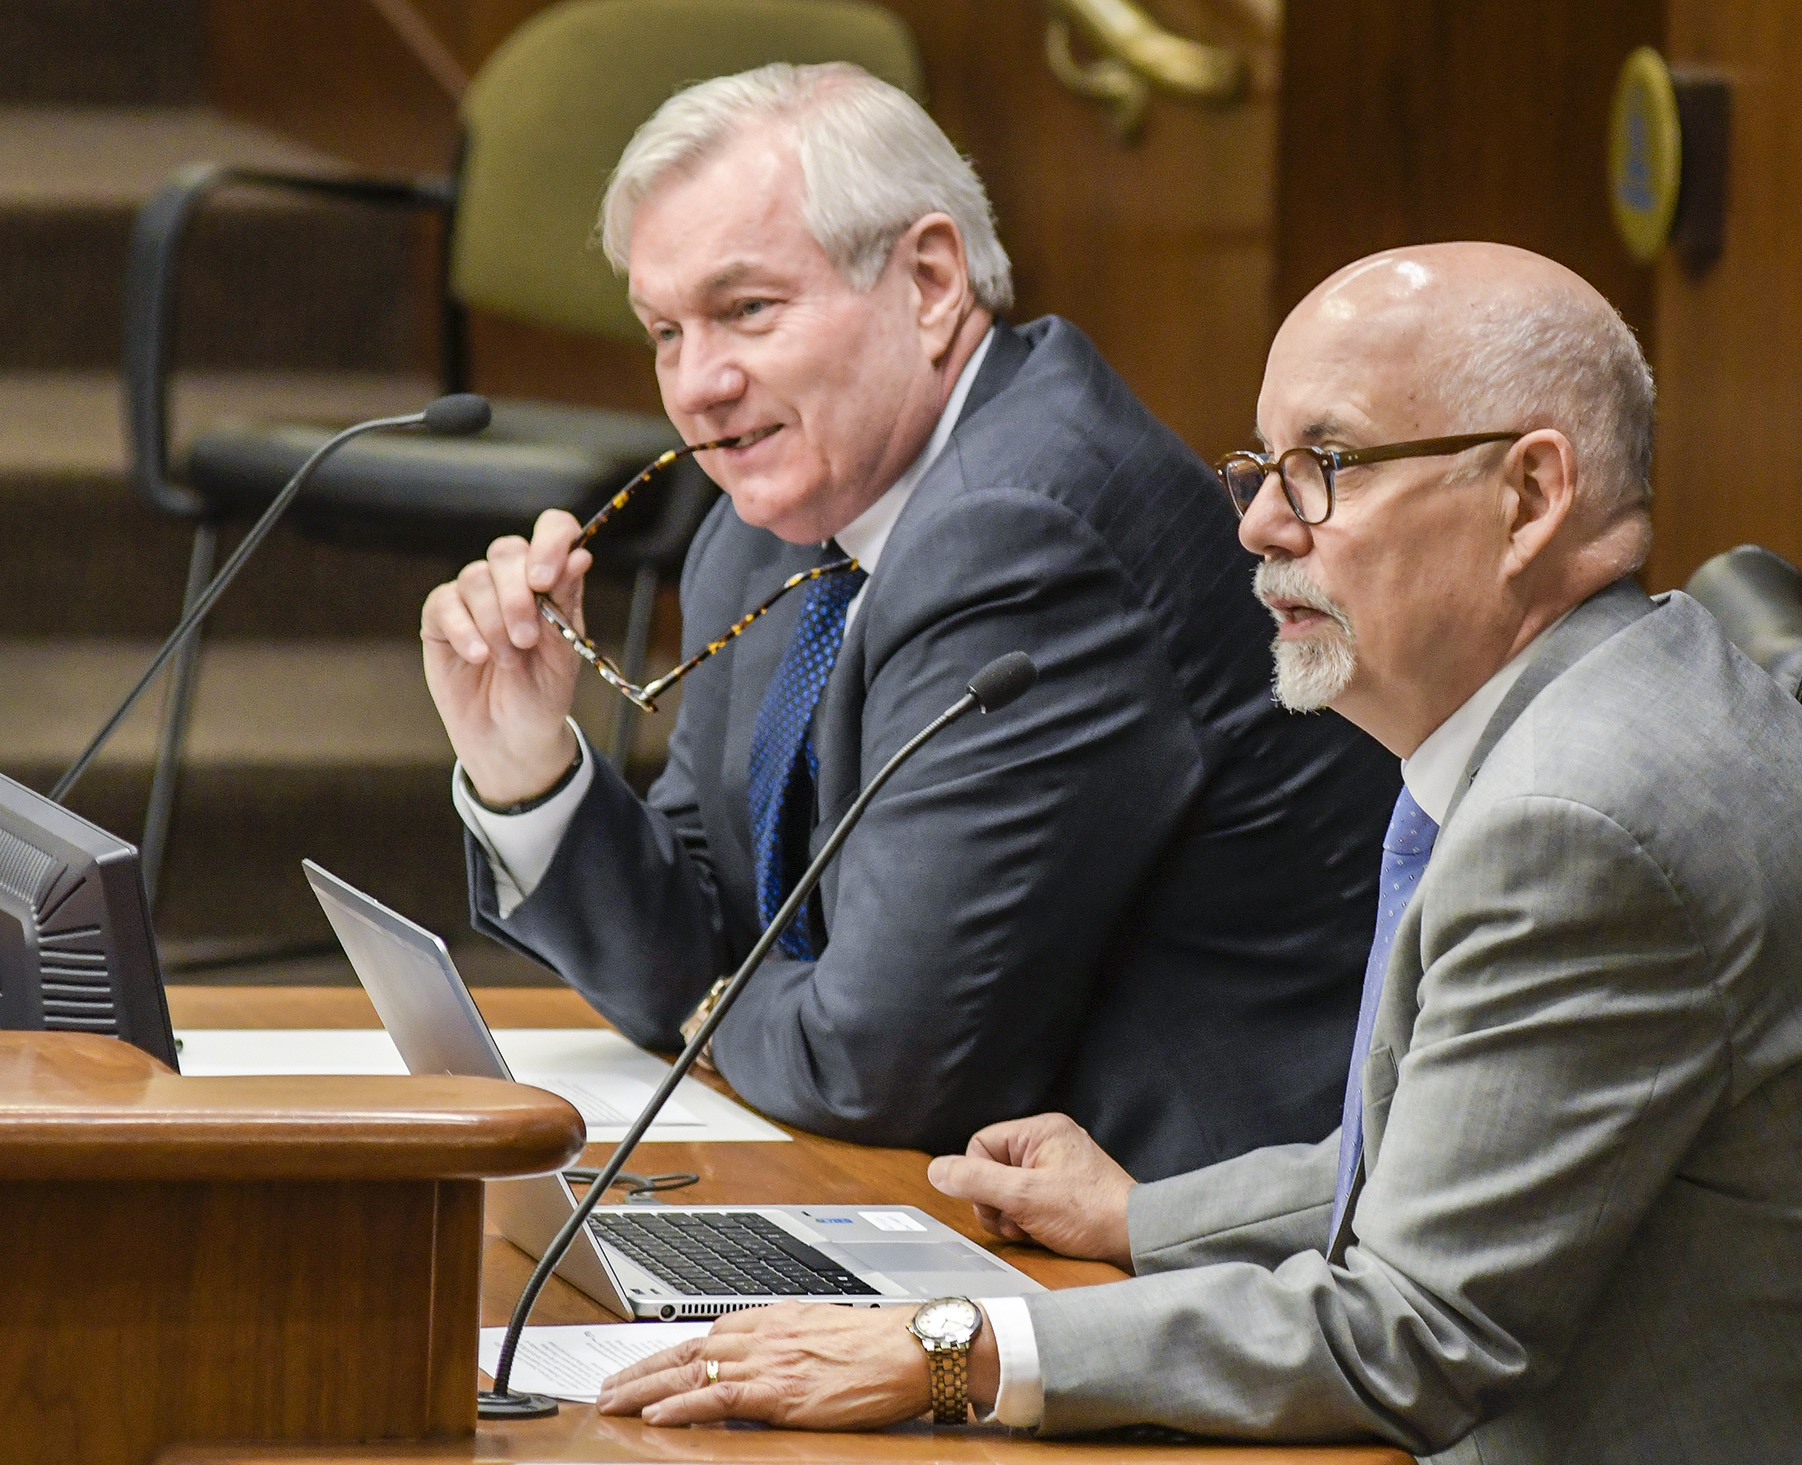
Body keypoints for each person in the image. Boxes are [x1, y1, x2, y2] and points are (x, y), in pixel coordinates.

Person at [596, 243, 1802, 1465]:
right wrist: (1137, 1219)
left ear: (1530, 494)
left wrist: (952, 1352)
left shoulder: (1583, 819)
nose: (1260, 527)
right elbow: (1431, 1173)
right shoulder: (1580, 716)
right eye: (1258, 469)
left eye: (1323, 468)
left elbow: (1410, 1336)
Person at [418, 63, 1400, 1180]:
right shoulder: (773, 518)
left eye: (746, 311)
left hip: (1185, 1235)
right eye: (664, 331)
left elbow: (880, 1064)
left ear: (930, 281)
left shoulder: (1024, 528)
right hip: (944, 1177)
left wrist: (698, 1005)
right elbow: (716, 915)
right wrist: (527, 767)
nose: (697, 384)